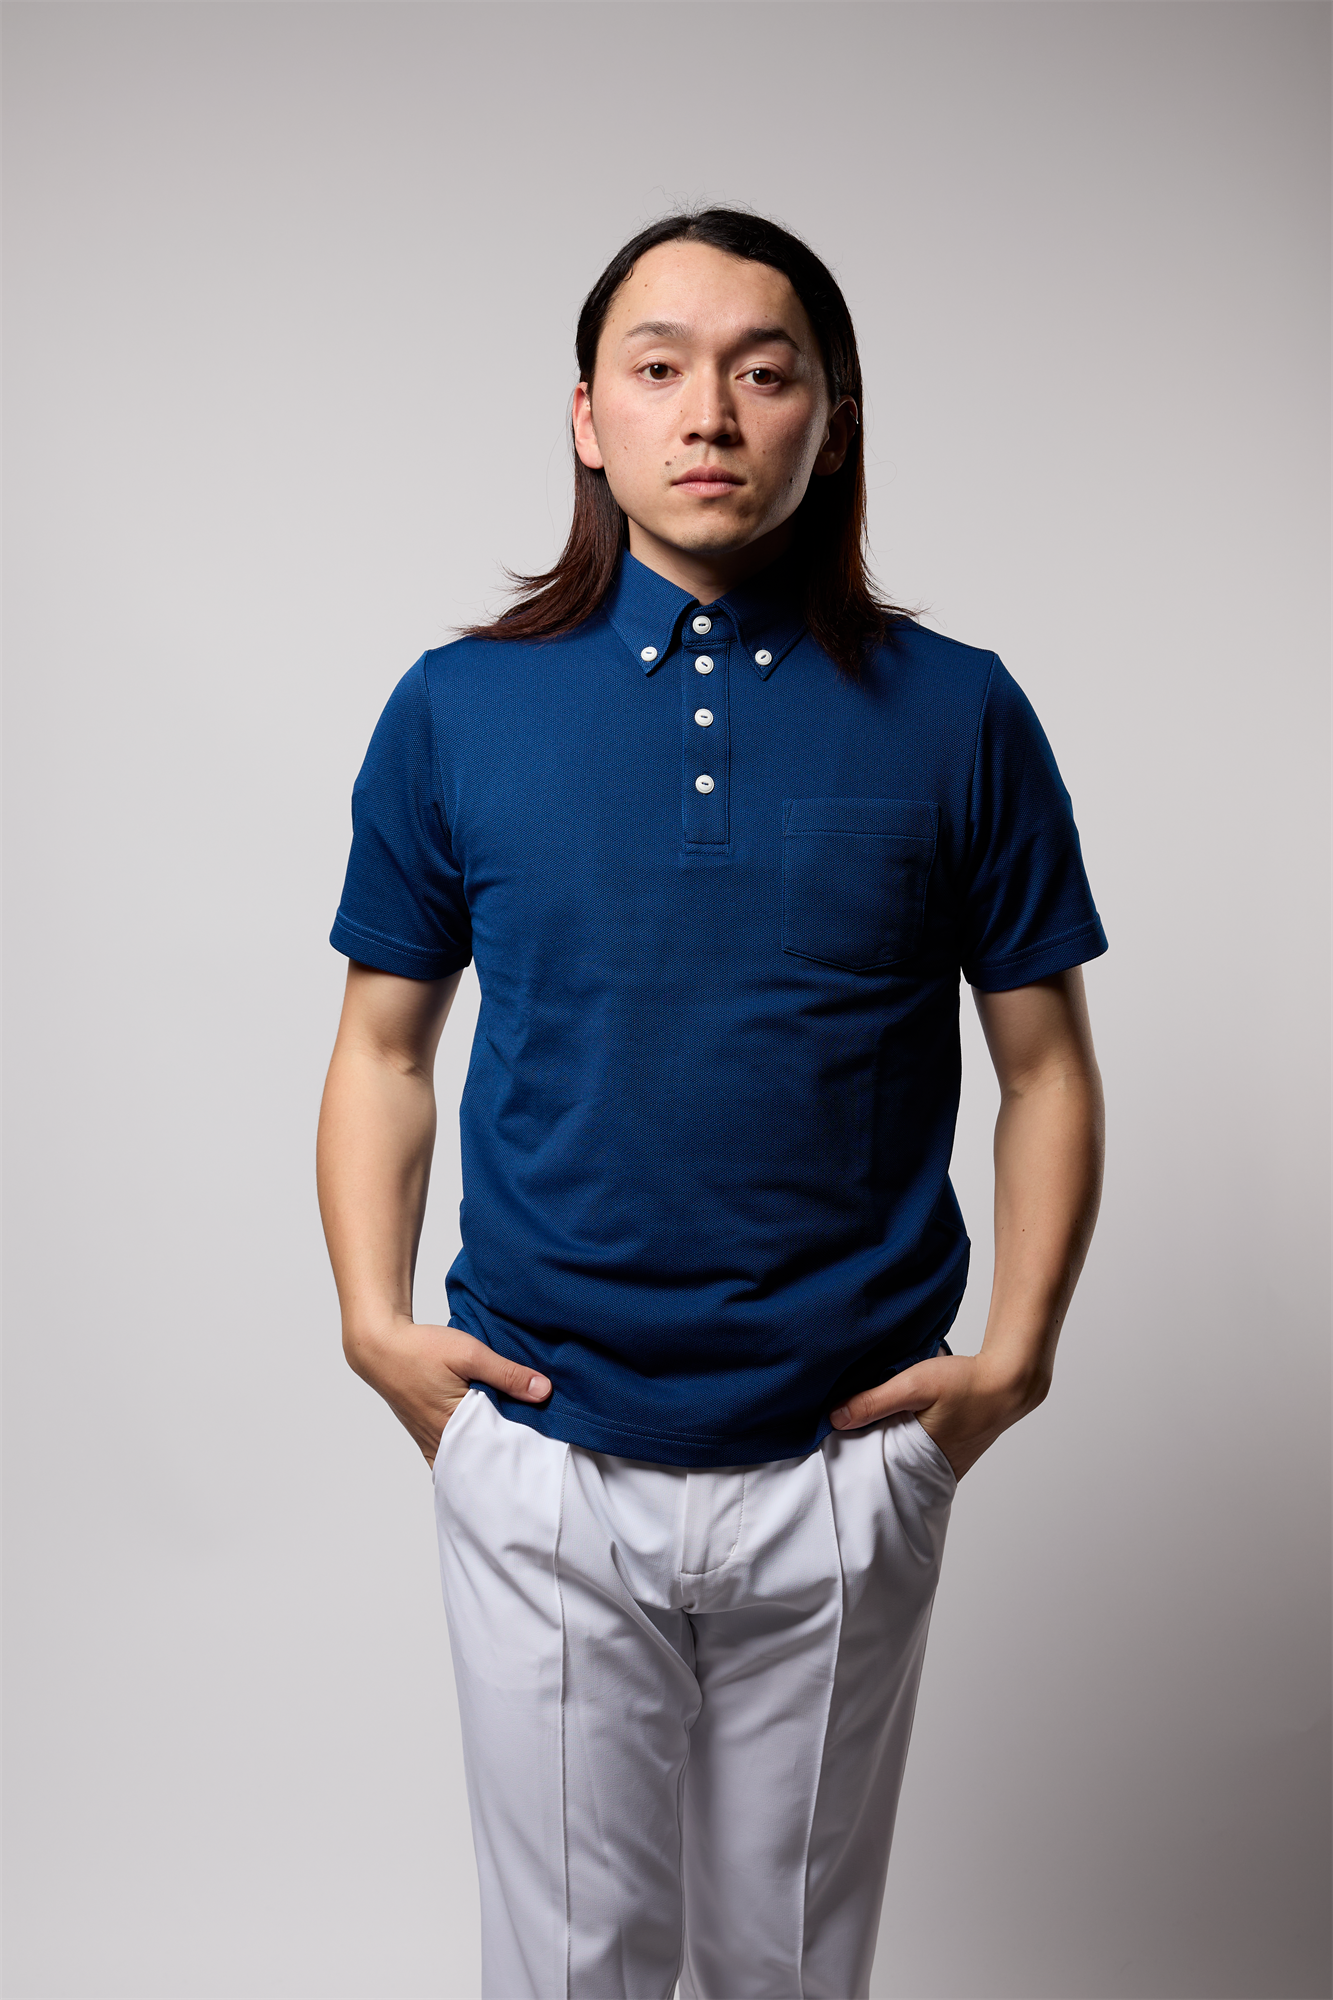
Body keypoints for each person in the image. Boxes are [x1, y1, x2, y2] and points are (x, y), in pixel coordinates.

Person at [316, 207, 1106, 2000]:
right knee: (569, 1976)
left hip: (843, 1454)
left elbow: (1046, 1063)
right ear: (587, 418)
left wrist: (1015, 1361)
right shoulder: (461, 708)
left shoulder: (959, 715)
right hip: (544, 1441)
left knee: (792, 1975)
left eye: (765, 371)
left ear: (834, 415)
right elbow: (382, 1050)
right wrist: (375, 1325)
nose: (711, 414)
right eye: (658, 367)